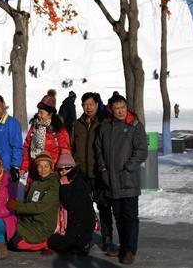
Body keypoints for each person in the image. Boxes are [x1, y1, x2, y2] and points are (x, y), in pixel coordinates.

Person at [95, 94, 146, 265]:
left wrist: (129, 167)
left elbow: (141, 150)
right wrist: (103, 169)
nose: (121, 111)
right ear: (111, 109)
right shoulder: (105, 126)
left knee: (130, 216)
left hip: (128, 179)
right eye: (117, 108)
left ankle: (130, 250)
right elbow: (99, 150)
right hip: (111, 180)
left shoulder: (134, 125)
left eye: (123, 107)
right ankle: (124, 247)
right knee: (119, 217)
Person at [71, 92, 115, 253]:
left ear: (97, 105)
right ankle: (85, 239)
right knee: (84, 209)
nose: (88, 107)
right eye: (85, 104)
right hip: (81, 173)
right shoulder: (77, 124)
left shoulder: (104, 123)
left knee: (104, 208)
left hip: (99, 173)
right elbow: (71, 146)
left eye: (91, 104)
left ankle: (107, 239)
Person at [6, 151, 59, 254]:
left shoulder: (54, 184)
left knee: (15, 244)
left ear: (51, 167)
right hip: (29, 222)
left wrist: (16, 206)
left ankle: (46, 243)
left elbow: (39, 207)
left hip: (42, 225)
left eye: (46, 166)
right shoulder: (35, 182)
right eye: (40, 166)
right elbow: (29, 202)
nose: (43, 169)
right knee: (8, 234)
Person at [47, 150, 95, 254]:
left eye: (67, 168)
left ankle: (84, 242)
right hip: (75, 224)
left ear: (73, 168)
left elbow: (69, 204)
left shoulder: (78, 183)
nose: (63, 171)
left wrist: (64, 186)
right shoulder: (69, 180)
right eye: (60, 169)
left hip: (82, 225)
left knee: (55, 243)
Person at [21, 91, 71, 185]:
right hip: (34, 171)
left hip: (52, 172)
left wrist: (63, 172)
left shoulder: (59, 130)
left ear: (50, 114)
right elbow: (26, 148)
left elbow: (65, 151)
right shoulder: (35, 127)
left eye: (41, 113)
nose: (38, 115)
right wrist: (24, 167)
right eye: (38, 112)